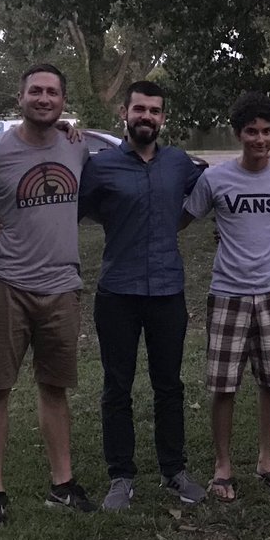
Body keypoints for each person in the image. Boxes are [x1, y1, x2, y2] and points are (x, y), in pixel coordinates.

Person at [0, 63, 95, 528]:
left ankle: (62, 484)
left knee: (54, 389)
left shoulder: (77, 146)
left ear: (63, 101)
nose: (44, 98)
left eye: (53, 92)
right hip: (6, 286)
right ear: (19, 97)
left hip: (62, 287)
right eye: (35, 91)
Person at [78, 81, 208, 509]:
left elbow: (221, 181)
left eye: (155, 110)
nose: (146, 117)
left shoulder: (178, 163)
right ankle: (121, 477)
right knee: (117, 387)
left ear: (163, 118)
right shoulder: (101, 166)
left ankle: (174, 470)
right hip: (118, 291)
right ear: (125, 113)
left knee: (168, 384)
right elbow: (69, 206)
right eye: (139, 109)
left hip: (168, 289)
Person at [180, 91, 270, 501]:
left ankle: (266, 459)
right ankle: (222, 466)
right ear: (238, 134)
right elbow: (182, 218)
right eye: (251, 131)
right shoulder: (215, 179)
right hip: (228, 293)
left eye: (267, 131)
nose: (260, 139)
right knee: (225, 386)